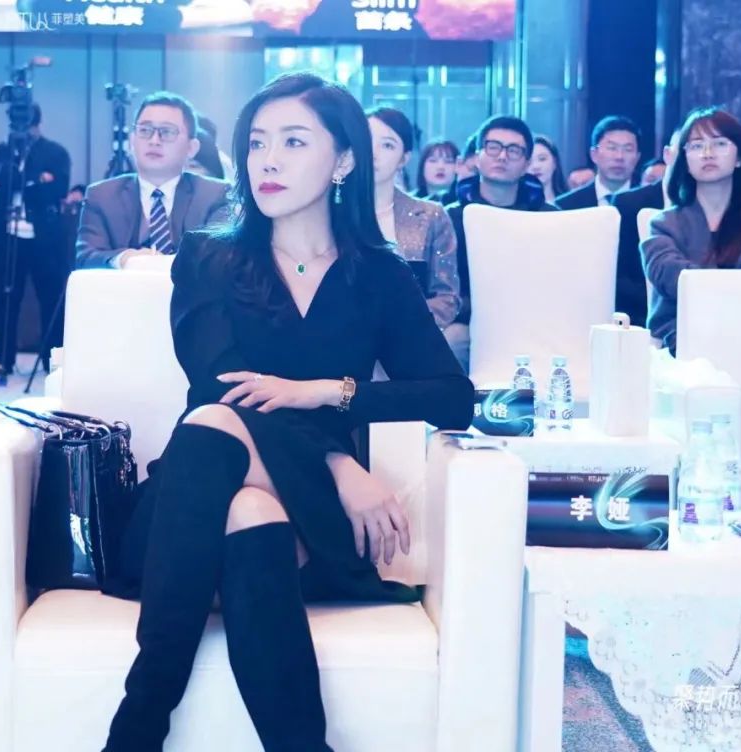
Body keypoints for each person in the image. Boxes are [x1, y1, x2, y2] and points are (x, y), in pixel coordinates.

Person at [102, 71, 473, 752]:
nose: (267, 160)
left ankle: (134, 733)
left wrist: (330, 392)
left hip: (315, 524)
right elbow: (221, 390)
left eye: (294, 142)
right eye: (257, 143)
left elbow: (452, 396)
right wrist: (337, 462)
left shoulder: (379, 273)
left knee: (228, 458)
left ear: (344, 160)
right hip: (192, 501)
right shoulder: (209, 257)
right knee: (228, 459)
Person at [642, 108, 741, 355]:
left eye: (720, 143)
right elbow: (673, 279)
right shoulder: (663, 225)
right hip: (678, 347)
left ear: (740, 158)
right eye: (696, 146)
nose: (707, 153)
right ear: (685, 160)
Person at [444, 115, 556, 371]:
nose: (502, 156)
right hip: (469, 320)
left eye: (514, 150)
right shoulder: (452, 217)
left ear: (527, 163)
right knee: (451, 341)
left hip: (534, 319)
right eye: (493, 147)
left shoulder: (548, 217)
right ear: (477, 157)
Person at [75, 92, 231, 270]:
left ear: (191, 148)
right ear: (132, 141)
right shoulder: (101, 195)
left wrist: (162, 265)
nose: (154, 140)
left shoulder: (215, 195)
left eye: (167, 132)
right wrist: (124, 259)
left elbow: (219, 259)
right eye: (145, 130)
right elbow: (85, 258)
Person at [0, 102, 71, 376]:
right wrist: (37, 179)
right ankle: (4, 356)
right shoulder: (3, 151)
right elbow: (6, 185)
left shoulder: (55, 152)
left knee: (50, 297)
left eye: (29, 125)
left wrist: (31, 181)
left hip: (44, 235)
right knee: (6, 296)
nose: (24, 131)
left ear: (38, 124)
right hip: (10, 234)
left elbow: (58, 189)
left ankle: (51, 357)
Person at [367, 107, 461, 330]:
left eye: (387, 145)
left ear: (404, 159)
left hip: (407, 335)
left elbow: (447, 298)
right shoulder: (329, 212)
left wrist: (401, 321)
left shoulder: (431, 216)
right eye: (366, 140)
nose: (373, 153)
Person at [612, 127, 682, 328]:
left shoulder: (707, 206)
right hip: (639, 319)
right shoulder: (629, 203)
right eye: (685, 149)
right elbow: (619, 274)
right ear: (667, 154)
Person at [556, 116, 642, 209]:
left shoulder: (650, 203)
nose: (619, 156)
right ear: (594, 154)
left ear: (637, 157)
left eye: (628, 149)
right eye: (612, 148)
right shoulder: (565, 206)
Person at [528, 135, 569, 203]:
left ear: (555, 162)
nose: (535, 166)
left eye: (542, 159)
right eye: (529, 162)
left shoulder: (570, 202)